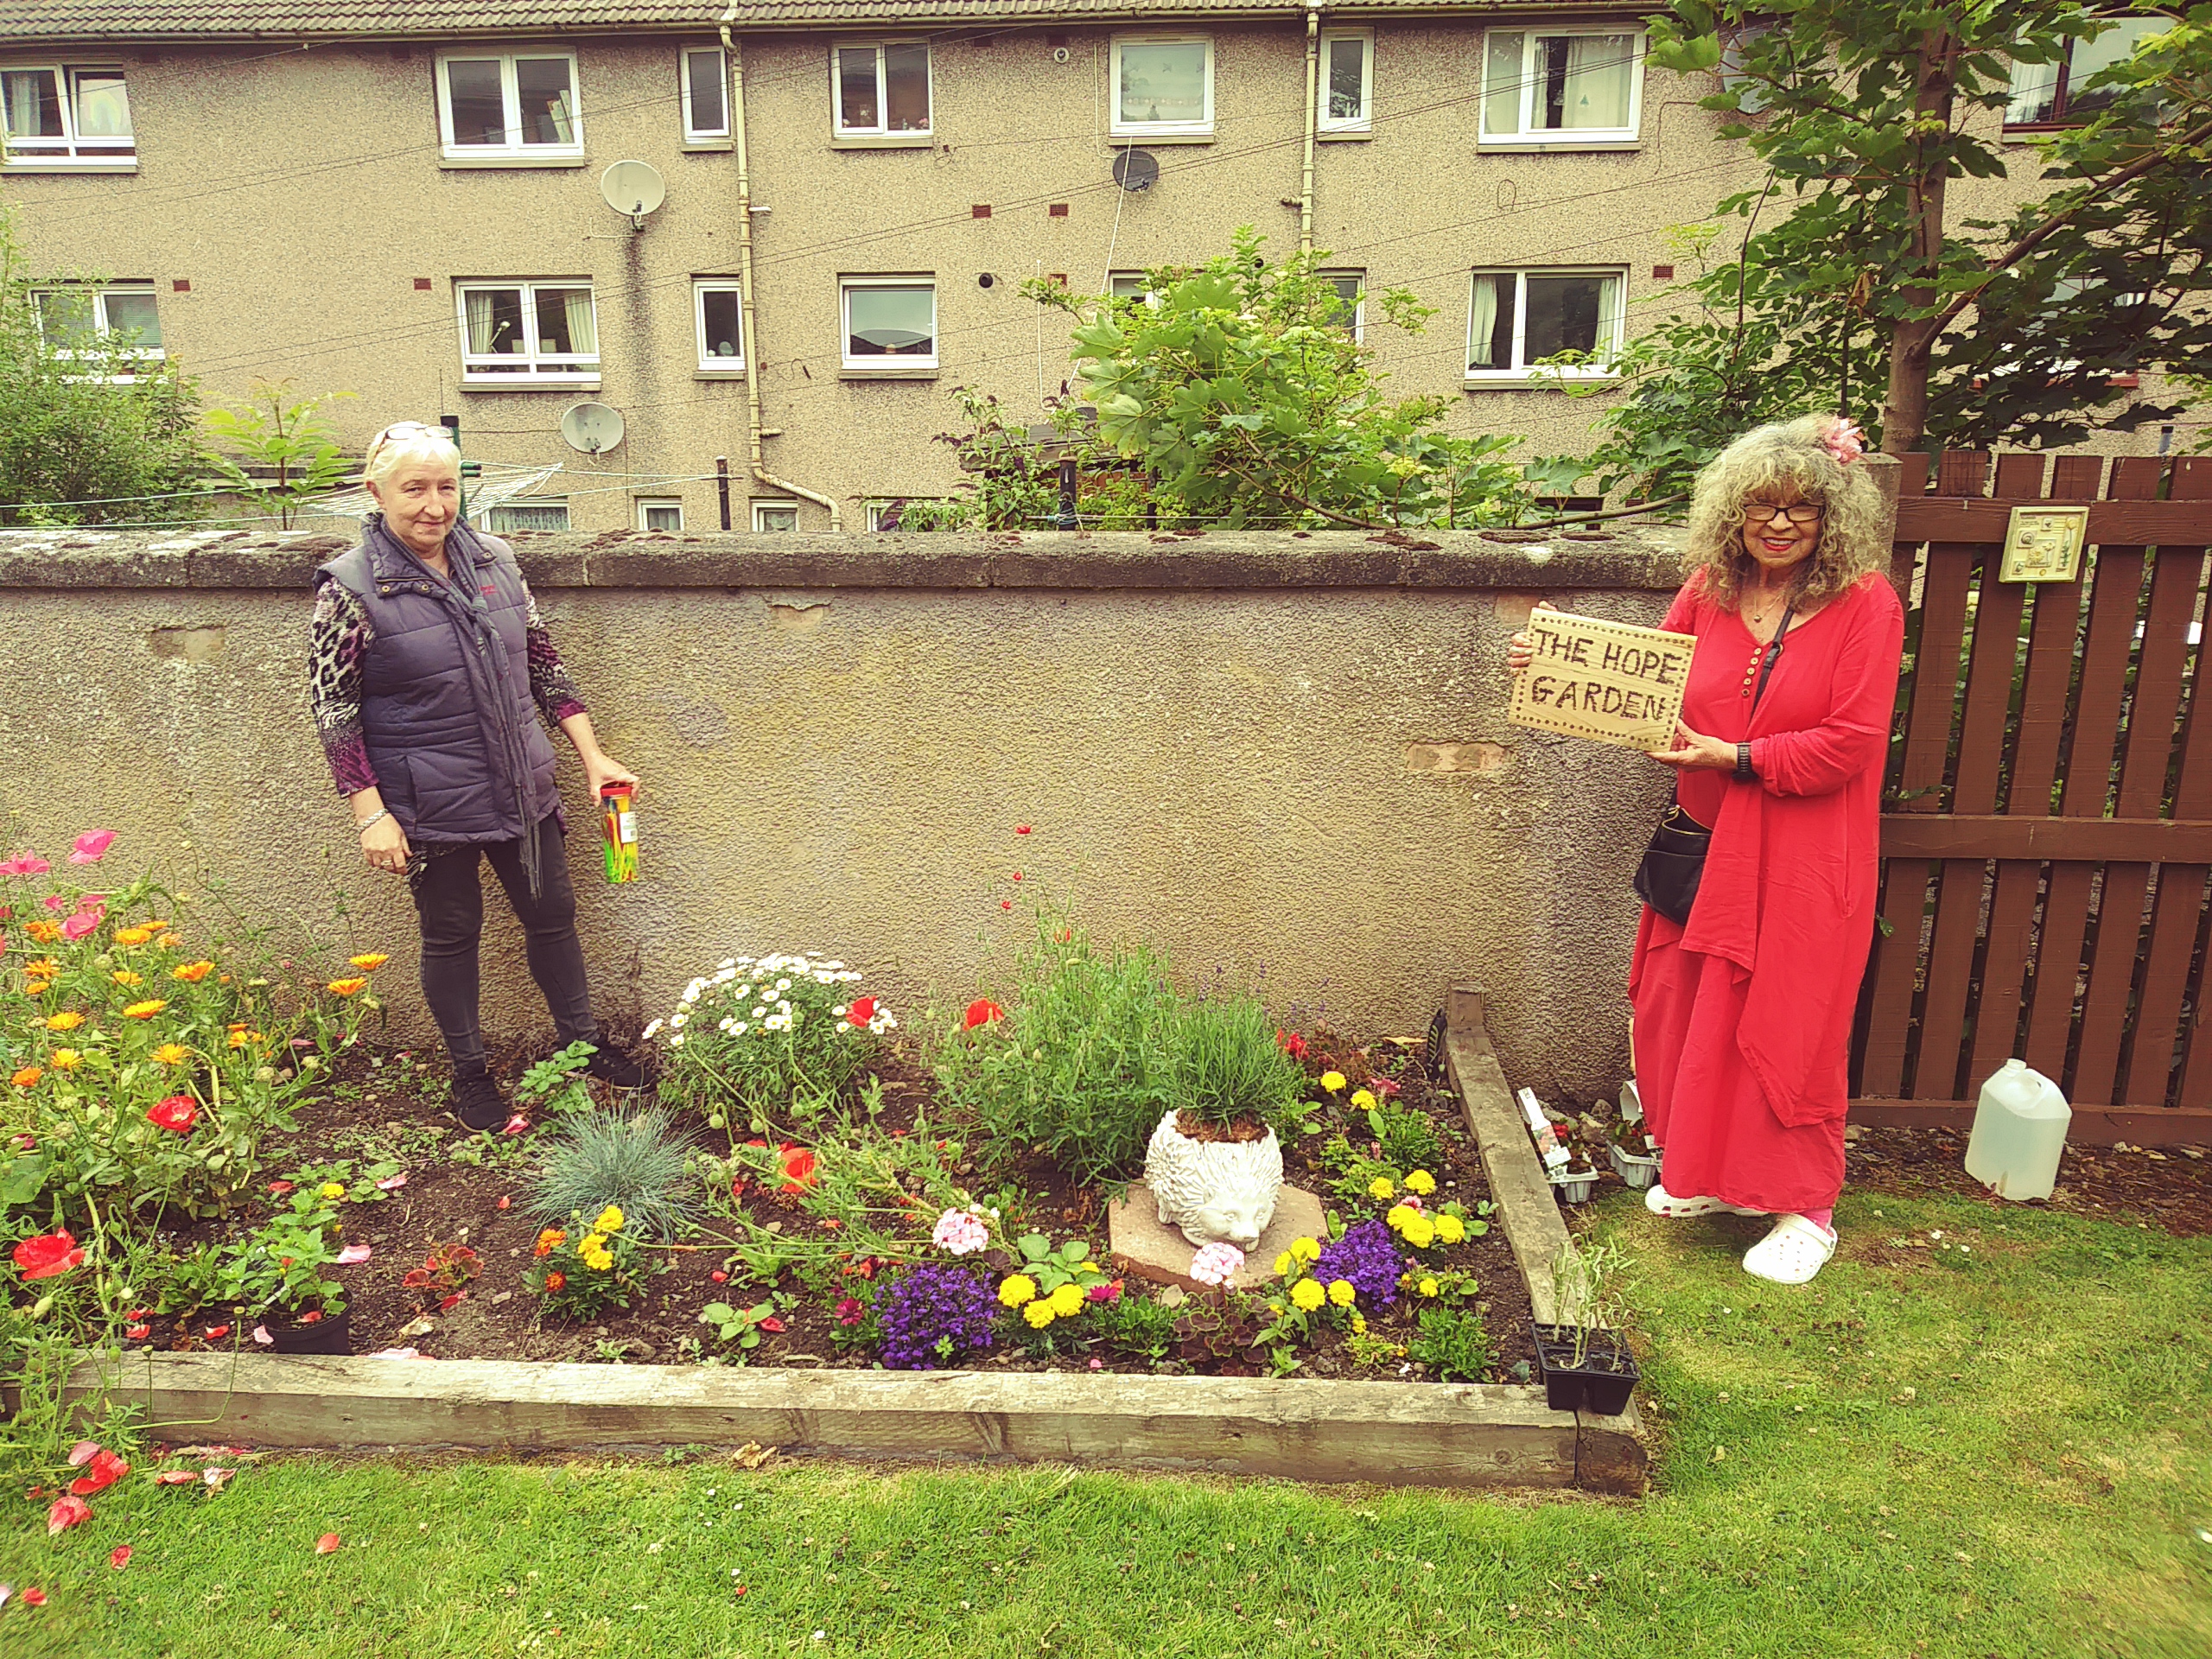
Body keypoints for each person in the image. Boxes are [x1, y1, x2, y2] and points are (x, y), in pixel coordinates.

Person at [1509, 414, 1904, 1284]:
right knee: (1687, 1012)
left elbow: (1852, 741)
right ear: (1734, 511)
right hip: (1708, 847)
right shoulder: (1709, 591)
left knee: (1790, 1026)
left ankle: (1807, 1208)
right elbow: (1644, 680)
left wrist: (1740, 757)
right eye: (1761, 504)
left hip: (1805, 858)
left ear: (1830, 516)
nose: (1778, 522)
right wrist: (1548, 666)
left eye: (1800, 507)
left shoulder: (1866, 604)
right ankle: (1713, 1177)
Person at [307, 421, 645, 1128]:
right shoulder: (349, 586)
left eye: (447, 486)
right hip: (428, 801)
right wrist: (370, 813)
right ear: (375, 492)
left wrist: (593, 756)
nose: (434, 505)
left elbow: (543, 665)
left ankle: (582, 1044)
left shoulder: (496, 560)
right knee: (452, 934)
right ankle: (470, 1076)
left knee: (553, 917)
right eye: (415, 489)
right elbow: (333, 711)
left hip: (523, 783)